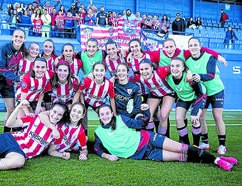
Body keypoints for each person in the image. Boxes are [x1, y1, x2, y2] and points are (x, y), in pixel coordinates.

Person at [94, 104, 238, 171]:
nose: (105, 116)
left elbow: (140, 124)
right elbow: (97, 148)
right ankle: (216, 160)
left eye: (107, 113)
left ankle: (218, 160)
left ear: (111, 113)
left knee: (183, 148)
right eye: (102, 114)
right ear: (99, 116)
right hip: (143, 154)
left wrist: (146, 113)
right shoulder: (98, 132)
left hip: (148, 138)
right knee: (181, 156)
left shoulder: (121, 118)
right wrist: (108, 156)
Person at [0, 100, 69, 171]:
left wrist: (62, 155)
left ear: (62, 117)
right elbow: (10, 124)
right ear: (50, 110)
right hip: (9, 139)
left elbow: (51, 151)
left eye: (59, 115)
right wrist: (18, 107)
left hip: (20, 152)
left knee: (18, 162)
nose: (56, 116)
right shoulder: (35, 118)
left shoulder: (58, 133)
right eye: (54, 112)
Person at [186, 37, 227, 154]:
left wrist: (199, 76)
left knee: (217, 117)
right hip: (202, 93)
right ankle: (205, 142)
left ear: (200, 46)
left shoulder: (210, 57)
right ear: (188, 48)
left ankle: (222, 145)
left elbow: (211, 75)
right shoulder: (187, 61)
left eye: (195, 45)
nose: (193, 47)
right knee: (200, 117)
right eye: (191, 45)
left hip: (216, 90)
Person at [0, 28, 27, 137]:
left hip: (7, 81)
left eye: (21, 37)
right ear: (12, 37)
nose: (18, 39)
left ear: (24, 39)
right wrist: (17, 78)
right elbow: (1, 68)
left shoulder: (23, 52)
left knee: (12, 109)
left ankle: (5, 136)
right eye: (16, 36)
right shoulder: (4, 49)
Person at [166, 57, 206, 146]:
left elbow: (201, 94)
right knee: (179, 119)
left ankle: (196, 145)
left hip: (198, 97)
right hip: (183, 98)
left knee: (194, 119)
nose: (174, 68)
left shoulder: (191, 78)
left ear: (183, 68)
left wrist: (195, 112)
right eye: (172, 66)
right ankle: (186, 145)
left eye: (177, 66)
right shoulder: (168, 78)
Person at [131, 59, 174, 136]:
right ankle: (150, 139)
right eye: (141, 69)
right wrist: (114, 79)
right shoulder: (138, 77)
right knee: (148, 115)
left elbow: (176, 67)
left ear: (152, 68)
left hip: (168, 93)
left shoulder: (161, 71)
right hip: (154, 94)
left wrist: (188, 72)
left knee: (163, 116)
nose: (144, 72)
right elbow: (126, 79)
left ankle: (162, 139)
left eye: (146, 69)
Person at [73, 62, 117, 133]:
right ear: (93, 71)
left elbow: (112, 98)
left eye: (101, 70)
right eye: (96, 70)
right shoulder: (87, 80)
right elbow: (78, 92)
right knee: (82, 114)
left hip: (98, 103)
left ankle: (106, 132)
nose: (99, 73)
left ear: (105, 72)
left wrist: (114, 113)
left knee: (105, 115)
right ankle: (84, 133)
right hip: (86, 101)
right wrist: (77, 105)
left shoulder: (109, 84)